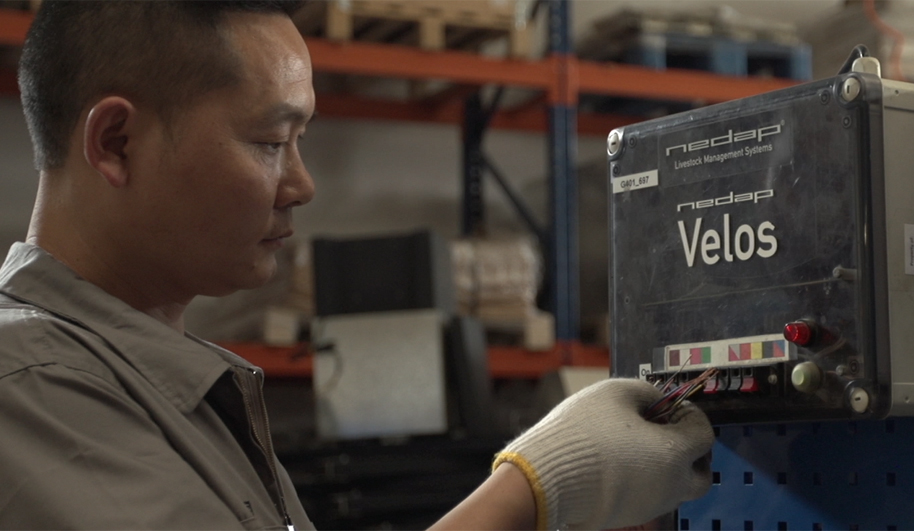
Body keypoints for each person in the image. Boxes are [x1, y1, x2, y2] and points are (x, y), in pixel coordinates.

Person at [0, 2, 715, 530]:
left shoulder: (170, 389)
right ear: (116, 142)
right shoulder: (30, 387)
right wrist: (535, 488)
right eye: (270, 141)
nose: (302, 184)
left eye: (300, 141)